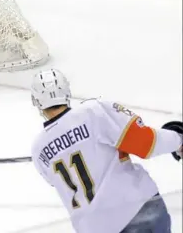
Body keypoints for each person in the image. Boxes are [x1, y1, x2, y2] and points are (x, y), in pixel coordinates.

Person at [30, 69, 182, 233]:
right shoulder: (95, 112)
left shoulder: (39, 150)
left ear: (36, 101)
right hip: (136, 210)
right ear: (66, 91)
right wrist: (178, 139)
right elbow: (146, 143)